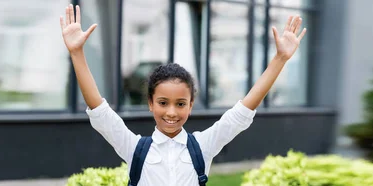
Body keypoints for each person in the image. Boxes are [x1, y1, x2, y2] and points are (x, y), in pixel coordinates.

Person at [59, 4, 306, 186]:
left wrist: (280, 59)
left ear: (191, 106)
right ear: (150, 104)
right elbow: (100, 112)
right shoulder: (135, 148)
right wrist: (77, 53)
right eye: (163, 103)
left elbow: (242, 111)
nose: (171, 112)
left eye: (180, 104)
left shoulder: (203, 146)